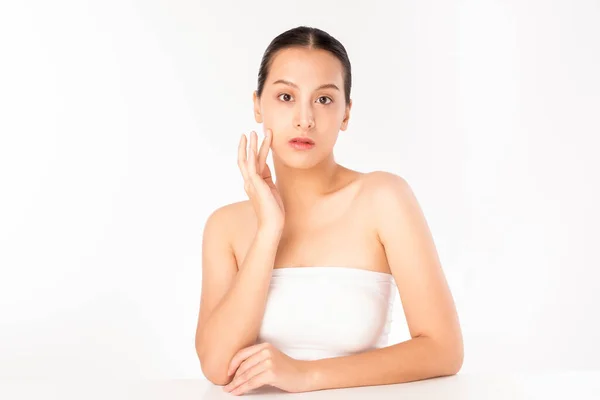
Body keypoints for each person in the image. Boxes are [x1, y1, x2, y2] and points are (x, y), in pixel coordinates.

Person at [194, 26, 463, 395]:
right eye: (286, 96)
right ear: (258, 105)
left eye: (323, 100)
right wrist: (269, 230)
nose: (305, 118)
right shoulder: (225, 227)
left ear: (346, 113)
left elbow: (444, 349)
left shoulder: (383, 198)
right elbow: (217, 366)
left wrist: (307, 375)